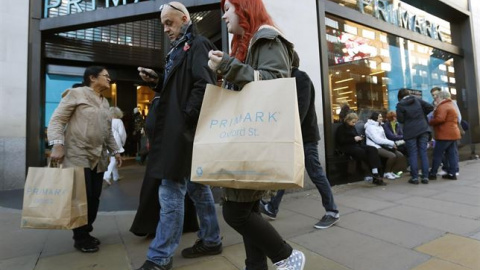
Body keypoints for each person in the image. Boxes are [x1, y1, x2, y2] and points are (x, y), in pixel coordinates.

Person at [207, 1, 306, 269]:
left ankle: (286, 255)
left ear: (245, 9)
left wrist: (229, 66)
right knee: (247, 209)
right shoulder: (248, 42)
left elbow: (275, 83)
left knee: (235, 212)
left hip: (252, 140)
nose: (224, 14)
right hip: (245, 139)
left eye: (229, 8)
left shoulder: (267, 38)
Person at [134, 2, 222, 270]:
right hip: (179, 130)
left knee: (170, 190)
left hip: (181, 132)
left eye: (169, 22)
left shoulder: (198, 43)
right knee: (197, 188)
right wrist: (157, 81)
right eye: (163, 24)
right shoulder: (178, 49)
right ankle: (211, 239)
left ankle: (160, 257)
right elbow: (180, 88)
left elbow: (204, 84)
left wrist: (185, 120)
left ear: (184, 18)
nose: (166, 28)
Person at [259, 51, 340, 230]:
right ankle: (272, 207)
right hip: (293, 135)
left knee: (315, 173)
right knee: (285, 173)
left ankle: (332, 211)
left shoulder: (300, 78)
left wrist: (285, 131)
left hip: (305, 136)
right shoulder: (287, 79)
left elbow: (301, 110)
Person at [48, 66, 122, 253]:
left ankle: (86, 231)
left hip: (98, 157)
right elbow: (57, 120)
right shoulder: (75, 94)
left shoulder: (105, 102)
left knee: (93, 197)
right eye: (106, 76)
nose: (109, 79)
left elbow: (107, 132)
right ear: (92, 77)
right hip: (77, 154)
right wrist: (57, 144)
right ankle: (80, 237)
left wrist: (116, 151)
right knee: (81, 197)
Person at [336, 112, 386, 186]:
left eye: (355, 122)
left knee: (373, 149)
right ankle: (374, 174)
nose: (354, 124)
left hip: (356, 145)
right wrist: (353, 139)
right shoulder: (341, 128)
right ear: (348, 120)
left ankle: (375, 172)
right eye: (353, 122)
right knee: (364, 153)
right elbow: (341, 141)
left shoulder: (352, 127)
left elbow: (355, 137)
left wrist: (359, 138)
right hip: (347, 147)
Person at [396, 88, 434, 184]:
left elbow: (400, 120)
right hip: (423, 129)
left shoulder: (400, 105)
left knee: (413, 154)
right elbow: (430, 107)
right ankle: (425, 177)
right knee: (423, 153)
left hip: (410, 131)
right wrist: (421, 116)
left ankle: (415, 178)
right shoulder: (417, 100)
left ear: (400, 96)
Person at [428, 90, 461, 180]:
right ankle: (452, 173)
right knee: (452, 154)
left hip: (444, 134)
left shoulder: (443, 106)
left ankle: (433, 173)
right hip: (453, 133)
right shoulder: (451, 105)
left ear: (442, 97)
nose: (436, 99)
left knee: (437, 154)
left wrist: (430, 121)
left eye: (437, 97)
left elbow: (440, 119)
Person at [364, 112, 405, 180]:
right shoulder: (370, 127)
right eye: (380, 117)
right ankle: (386, 172)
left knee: (400, 155)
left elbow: (384, 138)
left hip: (383, 145)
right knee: (392, 156)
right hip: (374, 146)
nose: (381, 118)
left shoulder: (380, 126)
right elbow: (377, 139)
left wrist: (391, 145)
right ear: (375, 118)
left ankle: (391, 171)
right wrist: (391, 143)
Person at [103, 107, 127, 185]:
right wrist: (122, 143)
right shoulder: (118, 121)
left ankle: (116, 176)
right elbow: (122, 134)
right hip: (116, 141)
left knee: (112, 158)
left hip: (107, 141)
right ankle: (106, 176)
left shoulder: (107, 121)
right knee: (114, 160)